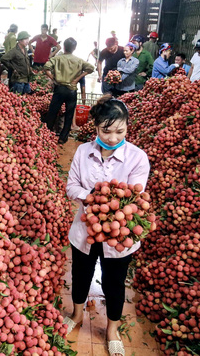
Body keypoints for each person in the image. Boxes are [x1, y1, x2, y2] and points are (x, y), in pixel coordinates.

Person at [63, 95, 150, 356]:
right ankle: (77, 315)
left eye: (120, 131)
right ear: (96, 127)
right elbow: (71, 187)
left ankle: (112, 330)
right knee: (80, 275)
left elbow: (135, 197)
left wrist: (110, 204)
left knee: (114, 283)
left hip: (118, 236)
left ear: (127, 127)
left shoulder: (137, 157)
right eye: (106, 131)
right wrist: (93, 196)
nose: (113, 138)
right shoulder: (82, 151)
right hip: (84, 231)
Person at [43, 37, 94, 144]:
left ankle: (47, 134)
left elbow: (46, 67)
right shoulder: (78, 60)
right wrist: (78, 78)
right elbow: (90, 68)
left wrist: (53, 78)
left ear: (64, 47)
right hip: (72, 91)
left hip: (59, 89)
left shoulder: (57, 59)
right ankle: (63, 138)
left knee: (52, 112)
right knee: (69, 114)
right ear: (74, 48)